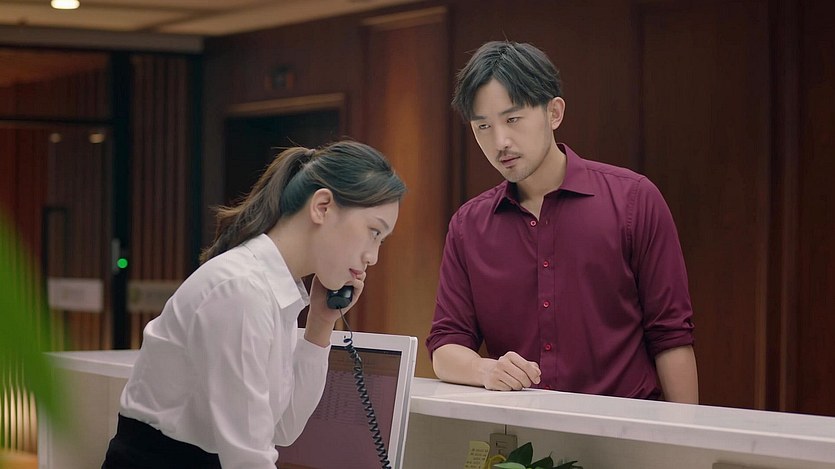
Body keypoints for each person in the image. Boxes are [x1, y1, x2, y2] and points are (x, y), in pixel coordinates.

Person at [102, 140, 406, 468]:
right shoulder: (241, 290)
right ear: (322, 207)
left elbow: (283, 430)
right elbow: (248, 457)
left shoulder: (275, 290)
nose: (373, 257)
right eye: (374, 232)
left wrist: (320, 325)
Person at [426, 40, 698, 403]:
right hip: (519, 432)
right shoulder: (468, 227)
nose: (500, 141)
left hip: (624, 427)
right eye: (483, 126)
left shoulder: (635, 200)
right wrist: (485, 370)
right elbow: (446, 345)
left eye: (512, 119)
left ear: (554, 113)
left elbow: (671, 336)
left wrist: (682, 435)